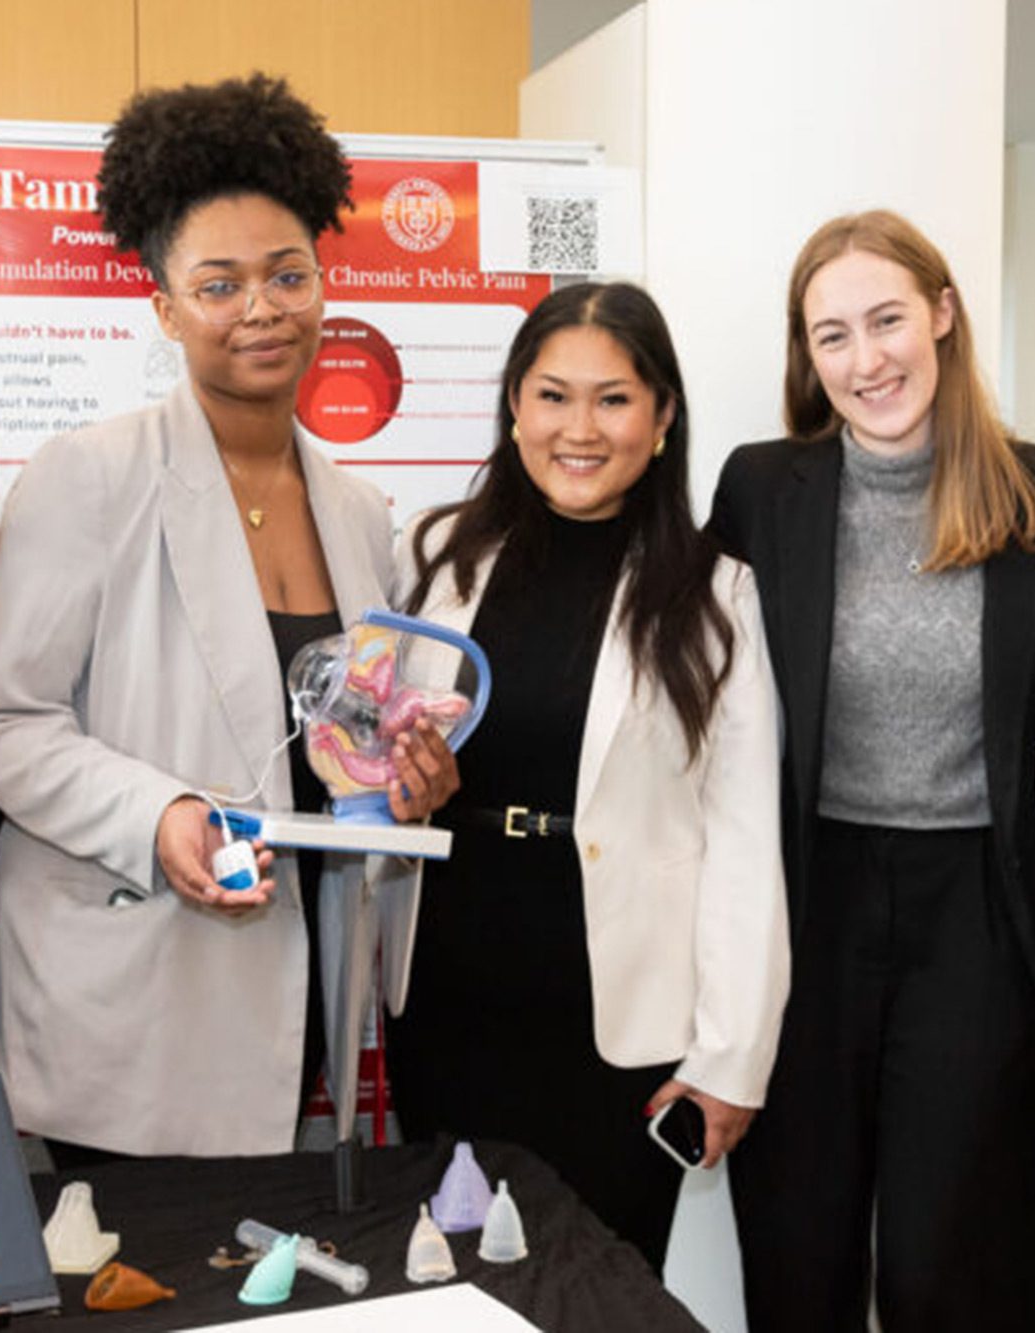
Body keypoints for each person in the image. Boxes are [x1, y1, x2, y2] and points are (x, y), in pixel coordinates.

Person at [0, 74, 455, 1163]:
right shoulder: (87, 477)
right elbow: (5, 724)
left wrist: (405, 773)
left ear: (325, 287)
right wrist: (157, 814)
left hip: (301, 1003)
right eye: (220, 283)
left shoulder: (360, 513)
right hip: (135, 992)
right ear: (165, 307)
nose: (260, 309)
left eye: (288, 276)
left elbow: (337, 741)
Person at [710, 211, 1035, 1330]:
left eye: (884, 321)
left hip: (973, 913)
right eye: (831, 336)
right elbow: (701, 704)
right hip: (805, 904)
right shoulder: (759, 490)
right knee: (797, 1252)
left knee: (945, 1267)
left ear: (941, 314)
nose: (864, 360)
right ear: (805, 356)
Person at [387, 281, 789, 1272]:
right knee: (457, 1287)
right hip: (449, 994)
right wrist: (402, 787)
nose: (578, 427)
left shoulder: (714, 591)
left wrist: (730, 1054)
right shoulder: (439, 556)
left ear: (660, 419)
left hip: (619, 1023)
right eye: (551, 395)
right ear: (513, 408)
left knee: (601, 1290)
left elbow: (743, 839)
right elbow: (378, 761)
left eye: (612, 399)